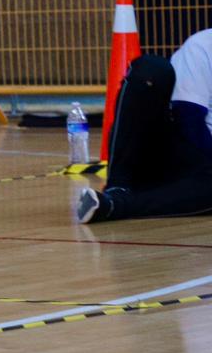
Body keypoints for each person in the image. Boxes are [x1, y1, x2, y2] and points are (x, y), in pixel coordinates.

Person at [77, 31, 212, 223]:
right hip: (168, 145)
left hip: (200, 176)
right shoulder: (203, 46)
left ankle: (114, 206)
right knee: (152, 70)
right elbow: (188, 117)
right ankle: (119, 185)